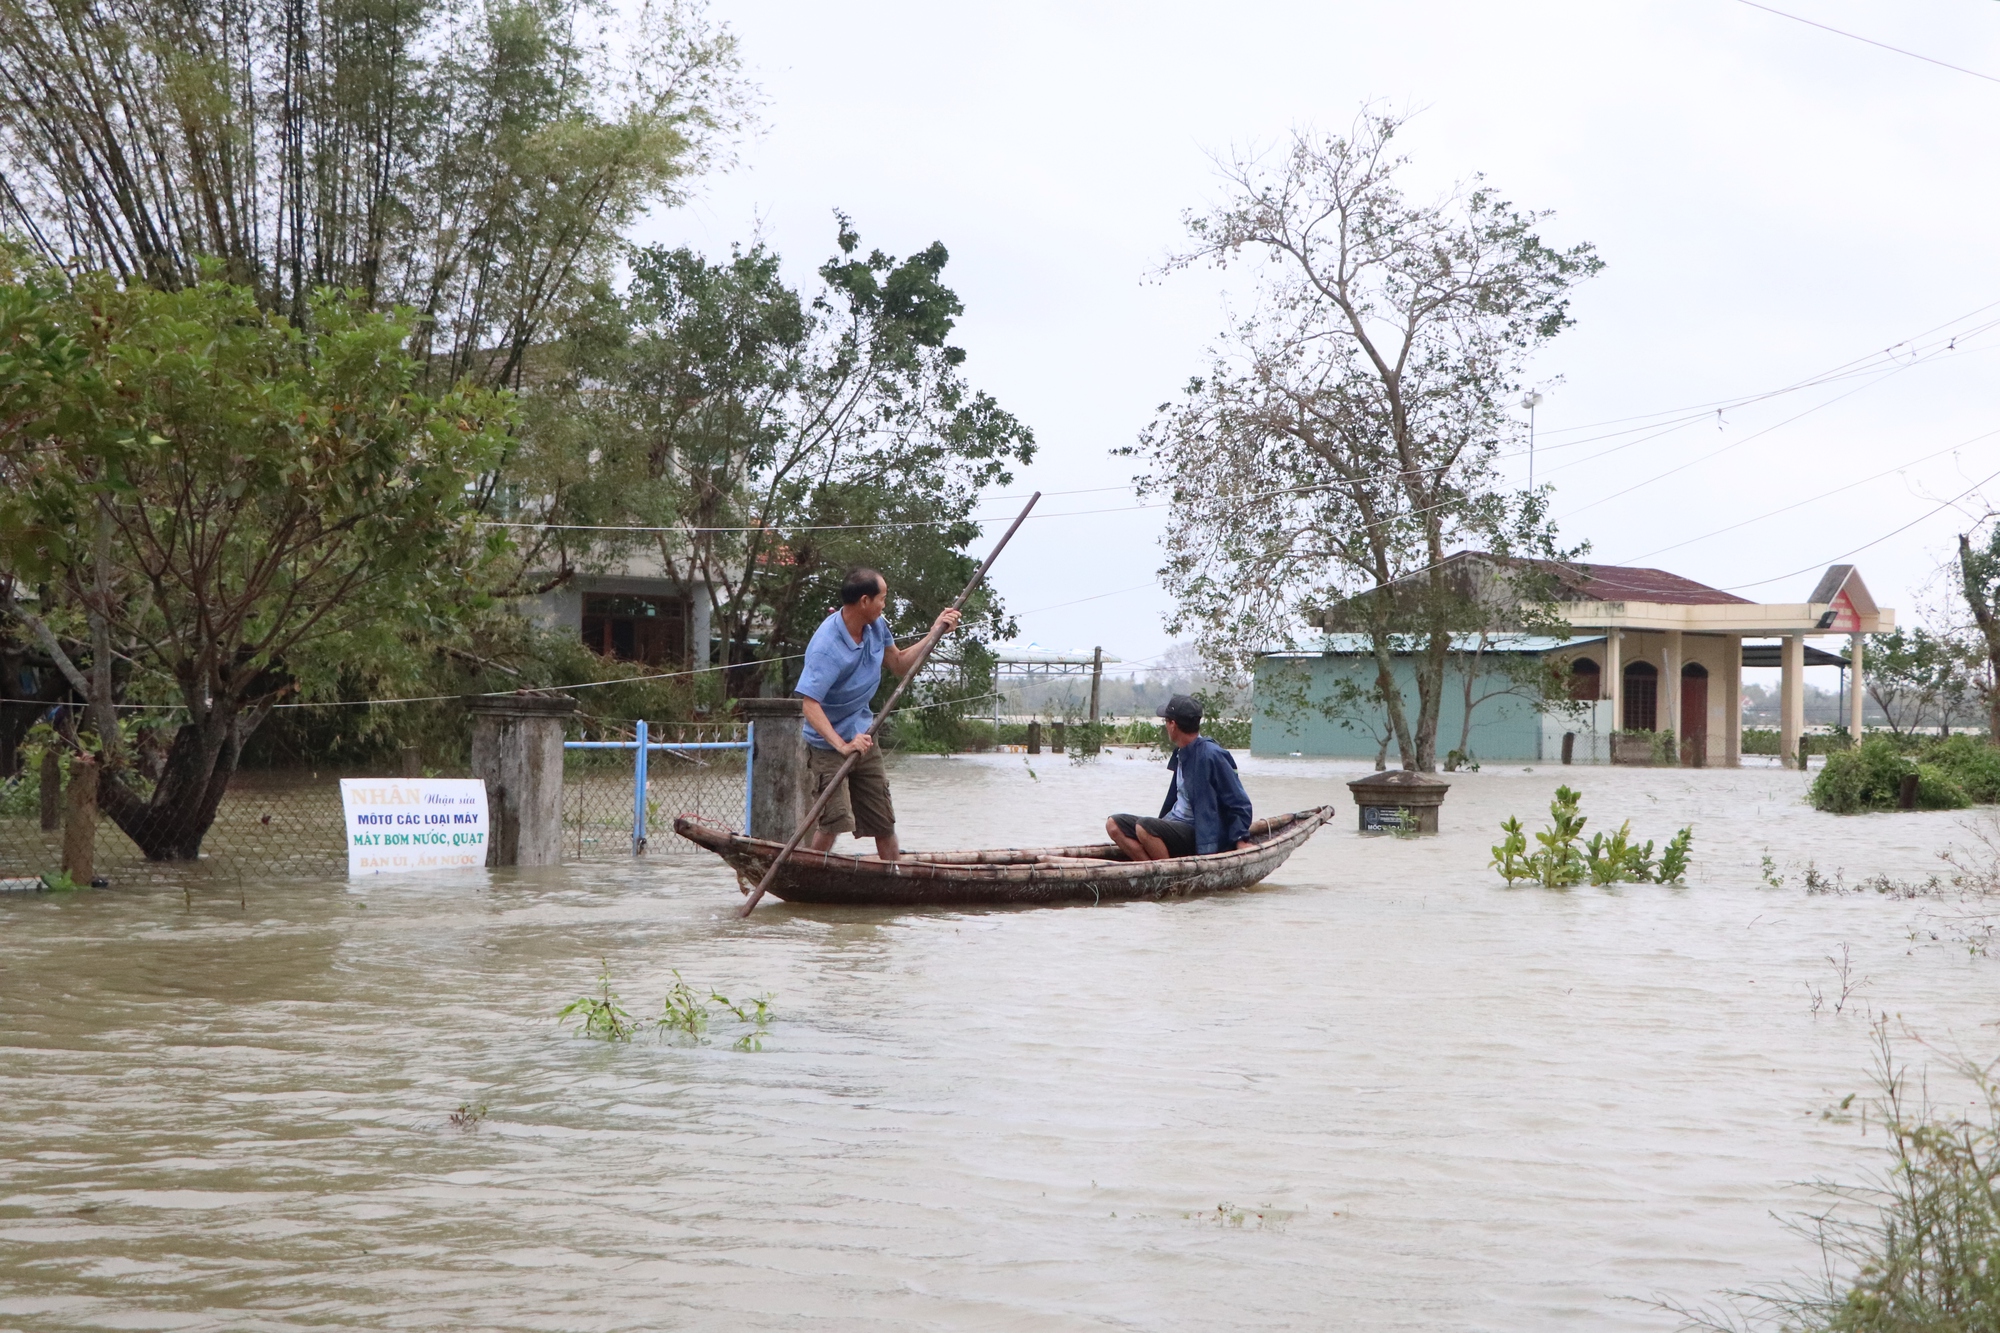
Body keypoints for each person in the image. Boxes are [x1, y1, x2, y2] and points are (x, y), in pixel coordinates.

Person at [794, 567, 958, 861]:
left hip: (865, 735)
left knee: (883, 822)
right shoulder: (826, 646)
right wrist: (842, 745)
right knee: (833, 822)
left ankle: (894, 882)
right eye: (883, 598)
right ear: (865, 601)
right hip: (829, 745)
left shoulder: (876, 627)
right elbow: (810, 704)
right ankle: (807, 875)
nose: (885, 604)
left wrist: (936, 632)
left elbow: (897, 664)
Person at [1105, 694, 1253, 860]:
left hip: (1200, 833)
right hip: (1174, 825)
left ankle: (1169, 876)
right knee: (1114, 824)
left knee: (1144, 827)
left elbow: (1238, 802)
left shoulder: (1212, 755)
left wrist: (1240, 839)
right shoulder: (1182, 754)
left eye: (1166, 722)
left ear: (1173, 725)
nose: (1166, 727)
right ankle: (1151, 871)